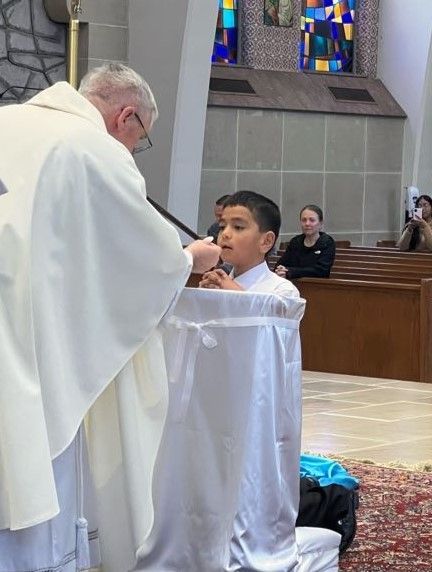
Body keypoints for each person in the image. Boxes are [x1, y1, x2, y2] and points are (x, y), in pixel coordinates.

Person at [0, 63, 220, 571]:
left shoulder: (7, 121)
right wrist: (188, 259)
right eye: (140, 139)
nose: (133, 149)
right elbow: (139, 258)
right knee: (36, 441)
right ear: (127, 117)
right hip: (29, 336)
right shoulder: (93, 148)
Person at [199, 190, 299, 299]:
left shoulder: (283, 291)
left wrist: (235, 293)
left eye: (238, 227)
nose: (225, 234)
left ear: (266, 241)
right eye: (222, 227)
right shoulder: (216, 285)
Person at [275, 205, 336, 279]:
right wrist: (280, 270)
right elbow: (281, 264)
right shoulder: (295, 242)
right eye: (304, 220)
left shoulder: (327, 242)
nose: (307, 224)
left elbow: (321, 271)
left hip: (317, 284)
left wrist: (291, 272)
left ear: (320, 223)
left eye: (312, 220)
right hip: (293, 283)